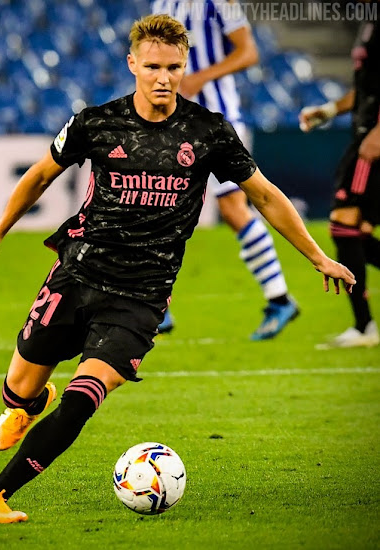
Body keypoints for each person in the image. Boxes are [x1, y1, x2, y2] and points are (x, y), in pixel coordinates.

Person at [0, 14, 355, 524]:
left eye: (173, 67)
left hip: (140, 298)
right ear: (133, 64)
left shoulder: (208, 131)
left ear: (185, 65)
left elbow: (263, 195)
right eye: (152, 67)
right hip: (77, 275)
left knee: (83, 399)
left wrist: (318, 256)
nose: (164, 77)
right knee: (18, 387)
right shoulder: (96, 123)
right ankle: (27, 405)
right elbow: (39, 175)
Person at [152, 0, 299, 339]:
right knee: (156, 205)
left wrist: (200, 78)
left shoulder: (219, 2)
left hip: (217, 122)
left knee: (234, 210)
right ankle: (155, 303)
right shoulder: (161, 2)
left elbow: (248, 52)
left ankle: (279, 299)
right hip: (175, 122)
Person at [300, 17, 379, 349]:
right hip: (363, 134)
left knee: (344, 226)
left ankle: (364, 327)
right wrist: (329, 110)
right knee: (356, 232)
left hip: (371, 140)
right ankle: (364, 326)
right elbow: (367, 89)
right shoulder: (369, 22)